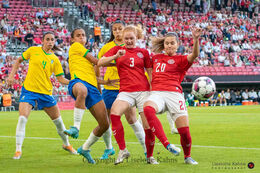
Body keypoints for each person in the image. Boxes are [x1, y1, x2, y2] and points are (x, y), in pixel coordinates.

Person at [7, 32, 77, 160]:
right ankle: (18, 150)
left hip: (46, 93)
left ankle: (66, 144)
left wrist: (73, 82)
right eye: (48, 39)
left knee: (59, 123)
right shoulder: (33, 50)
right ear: (43, 41)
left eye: (52, 40)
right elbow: (18, 60)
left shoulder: (55, 59)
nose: (50, 42)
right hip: (29, 91)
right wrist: (11, 75)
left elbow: (60, 79)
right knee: (22, 119)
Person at [98, 25, 158, 165]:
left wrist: (153, 91)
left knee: (147, 125)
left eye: (132, 38)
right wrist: (115, 56)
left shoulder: (143, 52)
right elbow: (100, 62)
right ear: (123, 39)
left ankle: (149, 156)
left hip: (143, 91)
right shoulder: (117, 50)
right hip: (126, 92)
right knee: (114, 113)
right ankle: (123, 150)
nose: (129, 41)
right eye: (126, 39)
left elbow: (150, 72)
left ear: (136, 38)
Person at [143, 28, 203, 165]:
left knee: (184, 132)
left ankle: (187, 157)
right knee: (147, 109)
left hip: (175, 95)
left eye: (172, 43)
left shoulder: (181, 59)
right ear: (163, 45)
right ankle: (166, 144)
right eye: (167, 43)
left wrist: (196, 39)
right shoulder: (156, 58)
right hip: (157, 93)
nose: (169, 45)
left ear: (177, 44)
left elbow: (194, 55)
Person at [63, 28, 110, 164]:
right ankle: (75, 127)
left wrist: (106, 82)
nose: (81, 38)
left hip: (92, 88)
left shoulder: (84, 56)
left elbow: (94, 78)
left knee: (105, 125)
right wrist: (116, 60)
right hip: (78, 82)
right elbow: (97, 61)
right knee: (82, 91)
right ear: (72, 39)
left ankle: (85, 148)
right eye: (78, 35)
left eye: (83, 35)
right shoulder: (75, 47)